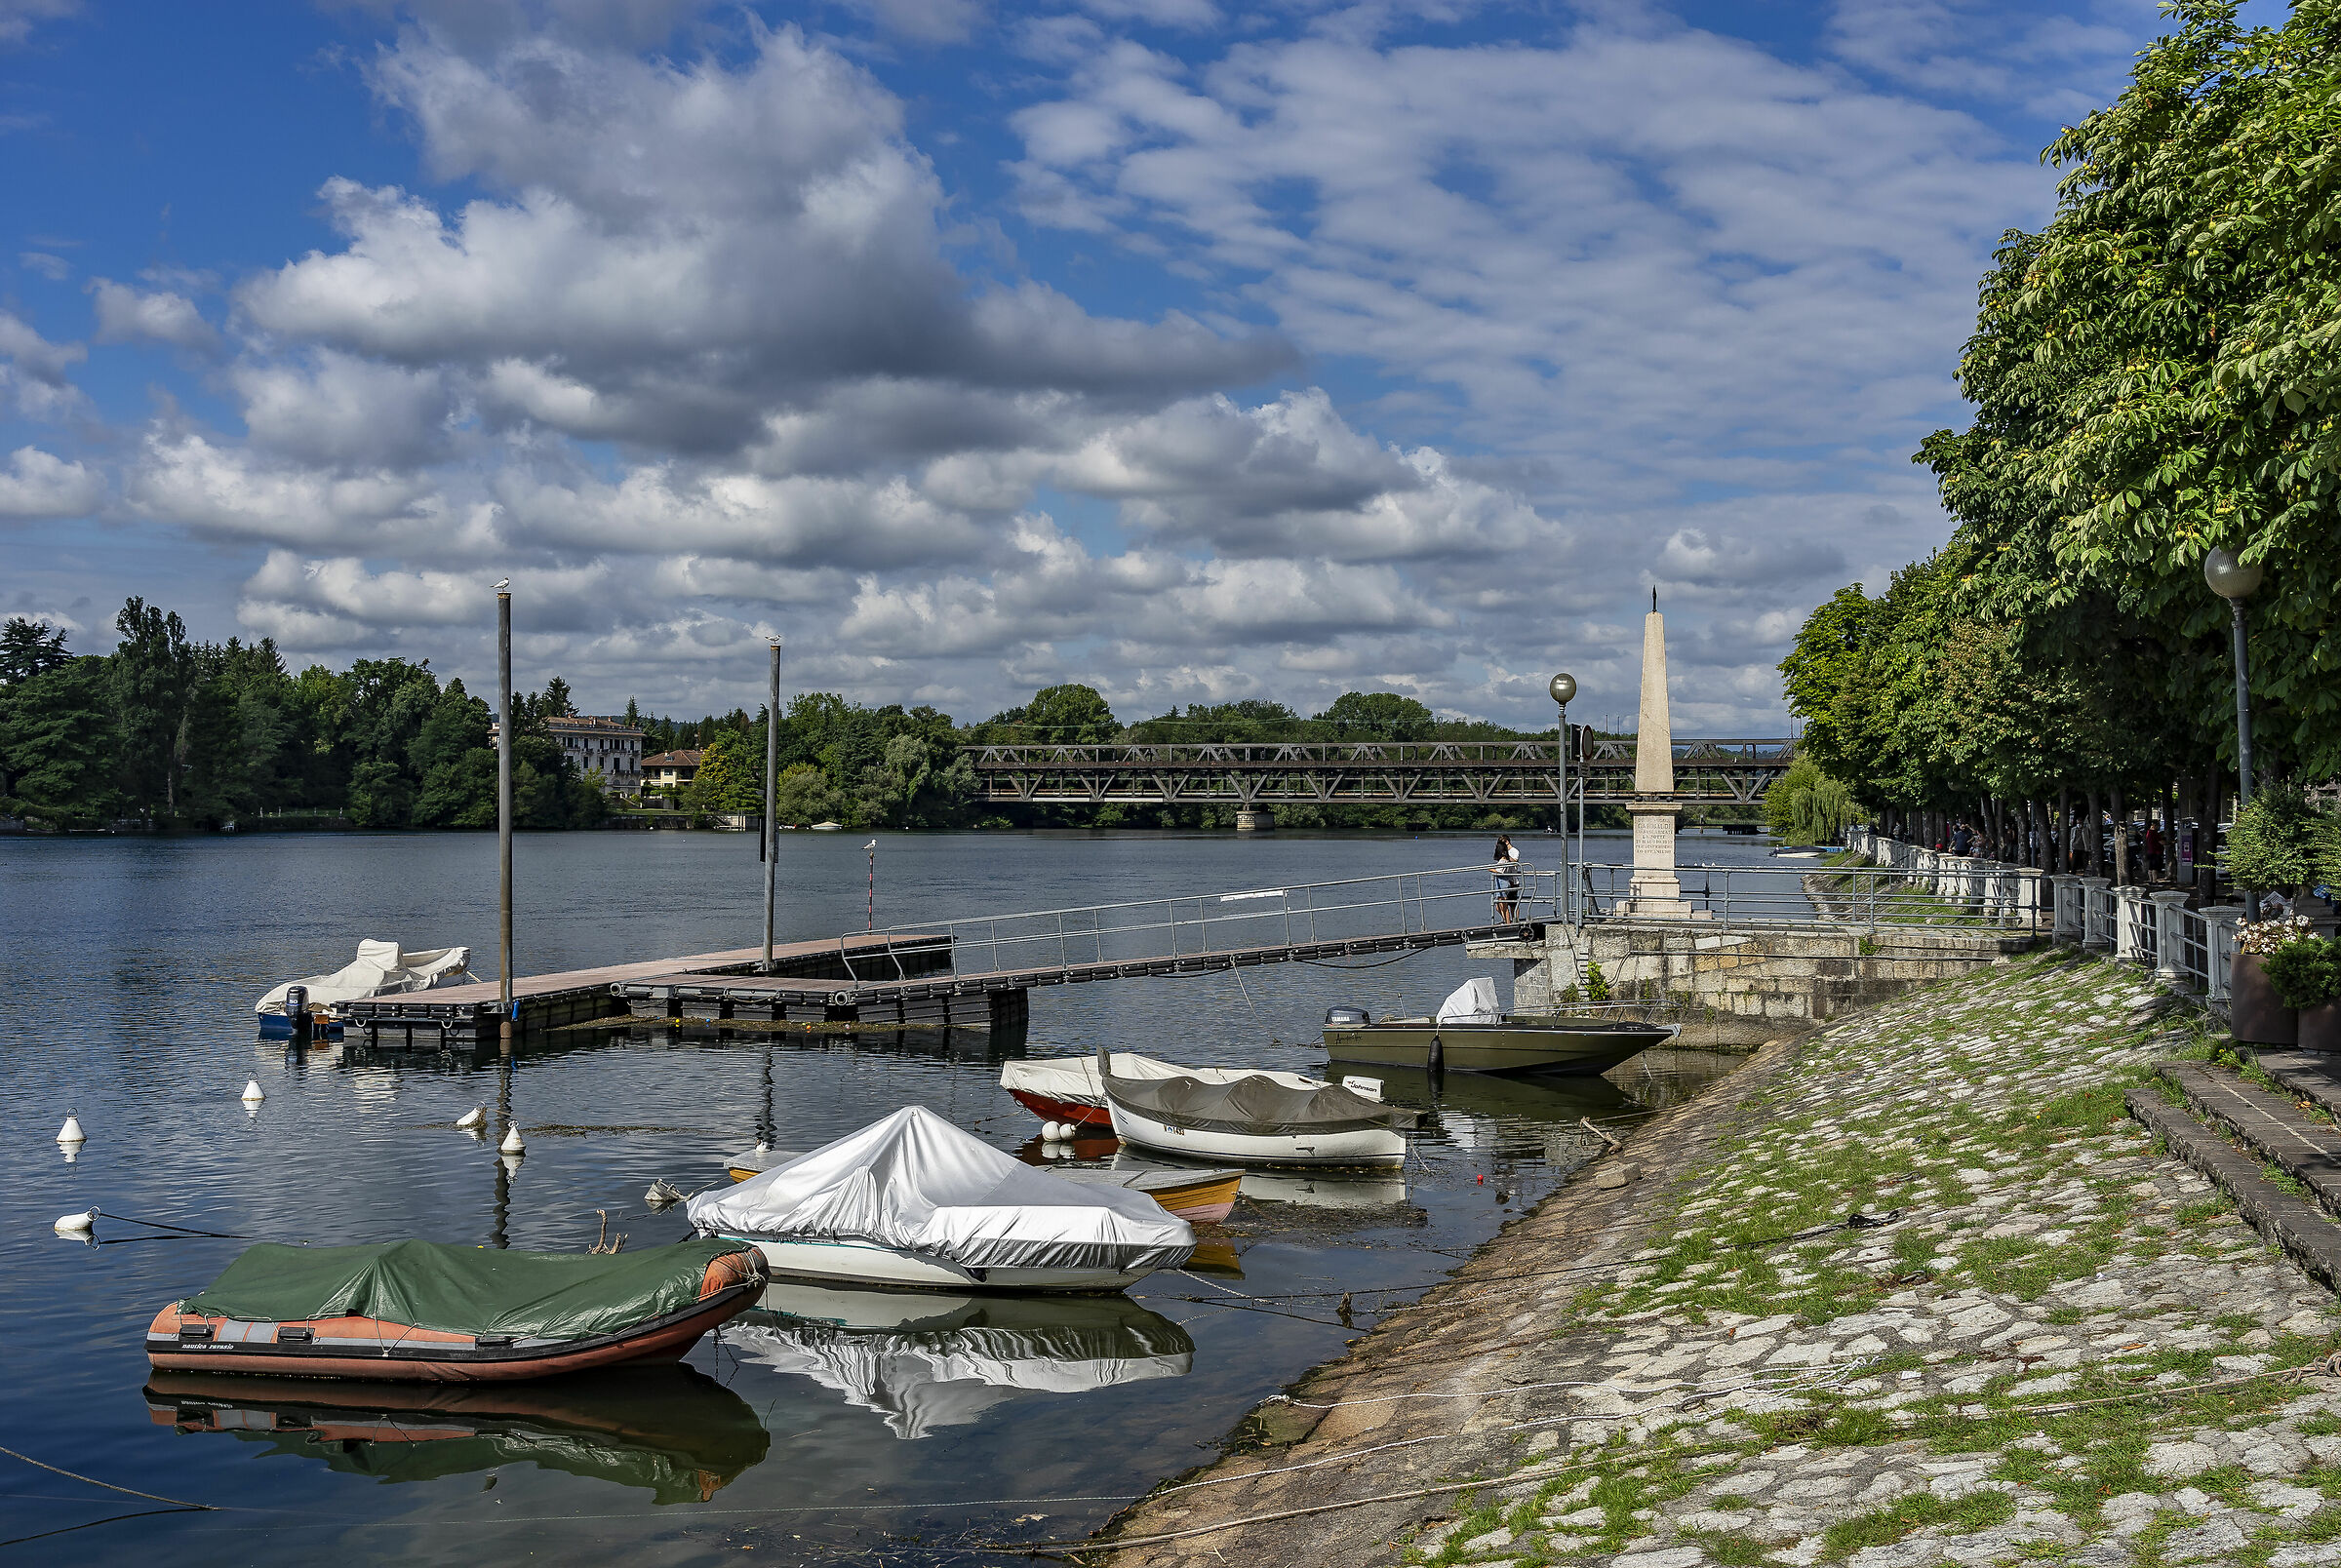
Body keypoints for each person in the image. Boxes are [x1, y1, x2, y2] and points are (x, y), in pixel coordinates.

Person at [1492, 833, 1523, 921]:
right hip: (1505, 879)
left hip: (1513, 880)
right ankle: (1506, 920)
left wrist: (1506, 856)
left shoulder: (1514, 851)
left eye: (1502, 843)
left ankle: (1514, 921)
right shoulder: (1502, 852)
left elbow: (1515, 862)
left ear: (1507, 842)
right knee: (1499, 905)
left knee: (1512, 904)